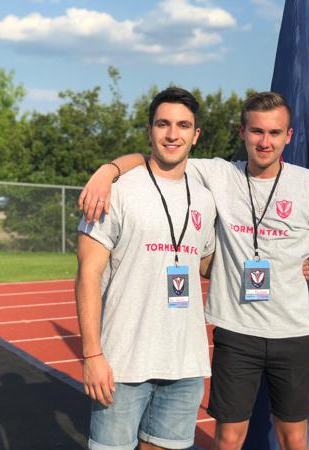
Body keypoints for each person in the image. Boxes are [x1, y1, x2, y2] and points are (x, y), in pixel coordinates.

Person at [80, 91, 309, 450]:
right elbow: (155, 157)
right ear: (241, 132)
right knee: (226, 437)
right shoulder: (215, 174)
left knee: (294, 436)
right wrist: (108, 170)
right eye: (256, 132)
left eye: (275, 133)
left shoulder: (300, 184)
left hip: (263, 339)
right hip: (219, 336)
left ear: (288, 136)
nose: (265, 141)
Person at [75, 87, 217, 450]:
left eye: (183, 125)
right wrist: (92, 355)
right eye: (163, 124)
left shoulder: (204, 195)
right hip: (123, 362)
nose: (173, 134)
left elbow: (204, 263)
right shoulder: (117, 191)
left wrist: (279, 266)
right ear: (150, 130)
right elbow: (88, 274)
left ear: (196, 134)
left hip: (185, 362)